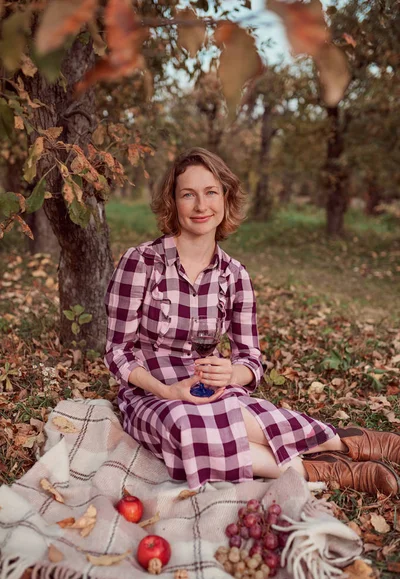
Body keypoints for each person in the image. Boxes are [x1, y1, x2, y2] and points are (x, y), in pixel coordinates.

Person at [104, 147, 400, 494]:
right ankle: (324, 465)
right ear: (173, 202)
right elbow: (118, 353)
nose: (201, 206)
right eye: (189, 195)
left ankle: (343, 444)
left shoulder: (235, 275)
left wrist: (230, 374)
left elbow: (250, 359)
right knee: (187, 427)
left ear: (226, 198)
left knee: (222, 413)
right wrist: (169, 391)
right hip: (151, 392)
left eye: (211, 192)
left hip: (207, 388)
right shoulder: (141, 262)